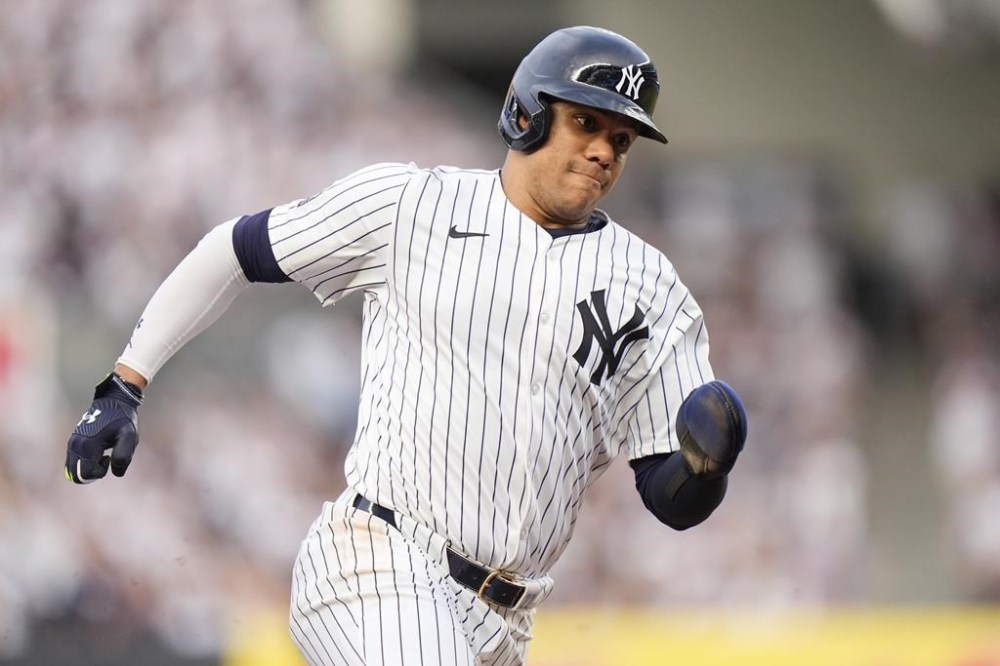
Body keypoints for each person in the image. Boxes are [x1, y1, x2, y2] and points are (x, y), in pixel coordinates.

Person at [64, 25, 748, 665]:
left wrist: (704, 468)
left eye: (621, 139)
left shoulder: (651, 289)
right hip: (378, 560)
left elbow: (670, 498)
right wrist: (125, 384)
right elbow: (237, 250)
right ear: (527, 113)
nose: (603, 149)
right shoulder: (413, 206)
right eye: (586, 122)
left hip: (504, 620)